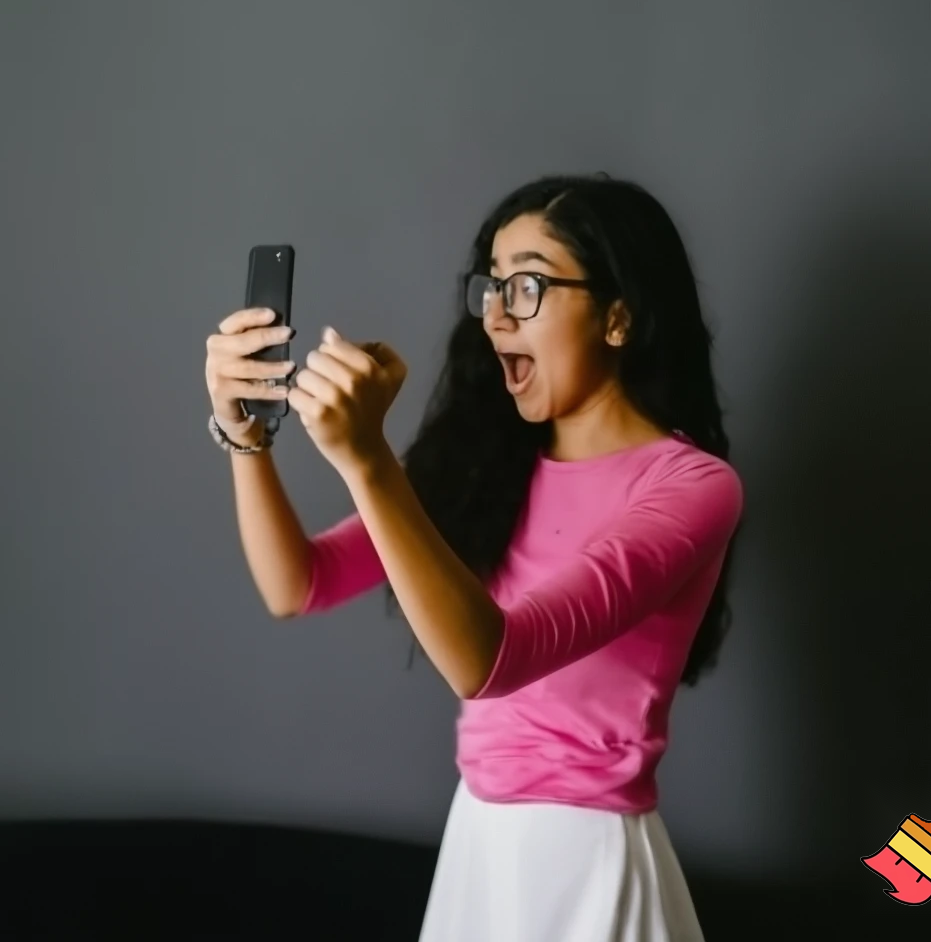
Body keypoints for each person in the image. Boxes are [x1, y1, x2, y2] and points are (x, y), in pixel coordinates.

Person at [204, 173, 744, 941]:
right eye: (491, 286)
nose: (495, 314)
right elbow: (299, 583)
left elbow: (490, 660)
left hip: (589, 866)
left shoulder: (692, 488)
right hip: (479, 847)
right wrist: (245, 437)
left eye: (527, 286)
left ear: (618, 316)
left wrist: (368, 461)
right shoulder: (483, 470)